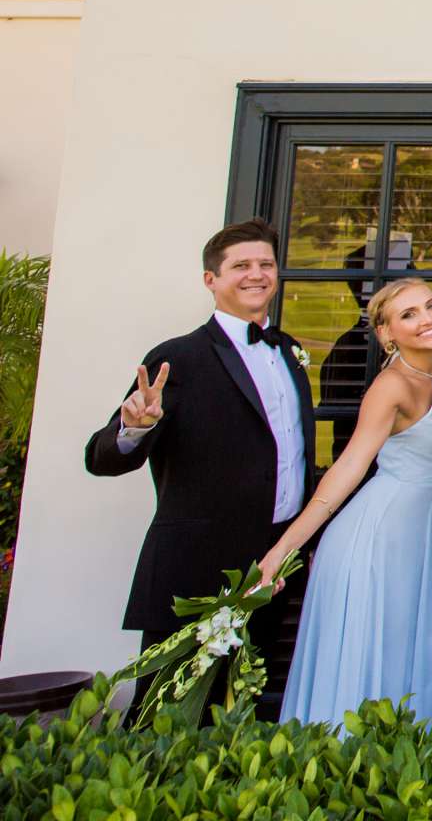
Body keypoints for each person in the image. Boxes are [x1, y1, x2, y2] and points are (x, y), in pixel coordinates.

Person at [85, 219, 315, 710]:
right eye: (241, 266)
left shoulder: (289, 353)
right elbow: (101, 458)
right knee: (167, 715)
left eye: (266, 265)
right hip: (198, 569)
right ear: (211, 279)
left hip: (274, 568)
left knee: (244, 709)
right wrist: (135, 428)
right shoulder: (177, 358)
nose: (256, 275)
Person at [270, 277, 432, 723]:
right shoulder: (391, 386)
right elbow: (347, 469)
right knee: (382, 652)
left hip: (428, 528)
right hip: (383, 538)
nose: (427, 319)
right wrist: (284, 550)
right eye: (408, 315)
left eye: (430, 306)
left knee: (416, 651)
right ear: (386, 333)